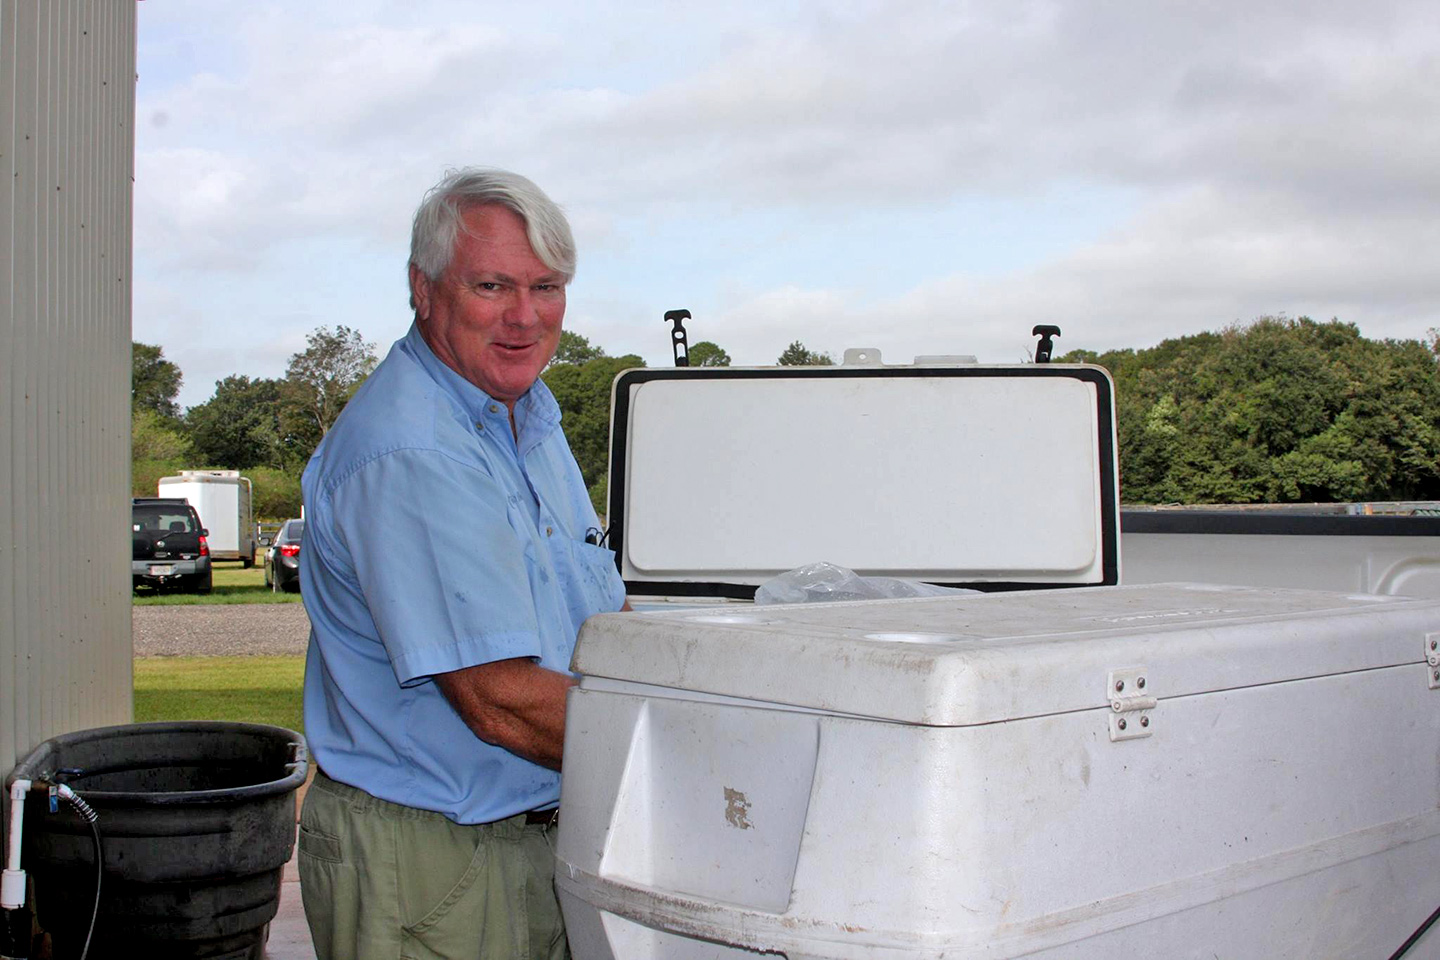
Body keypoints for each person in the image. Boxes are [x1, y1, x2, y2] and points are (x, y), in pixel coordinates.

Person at [296, 168, 628, 960]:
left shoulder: (527, 418)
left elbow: (602, 631)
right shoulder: (413, 449)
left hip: (536, 833)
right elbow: (499, 700)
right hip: (435, 862)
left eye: (547, 287)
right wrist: (698, 751)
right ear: (424, 287)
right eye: (492, 285)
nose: (525, 317)